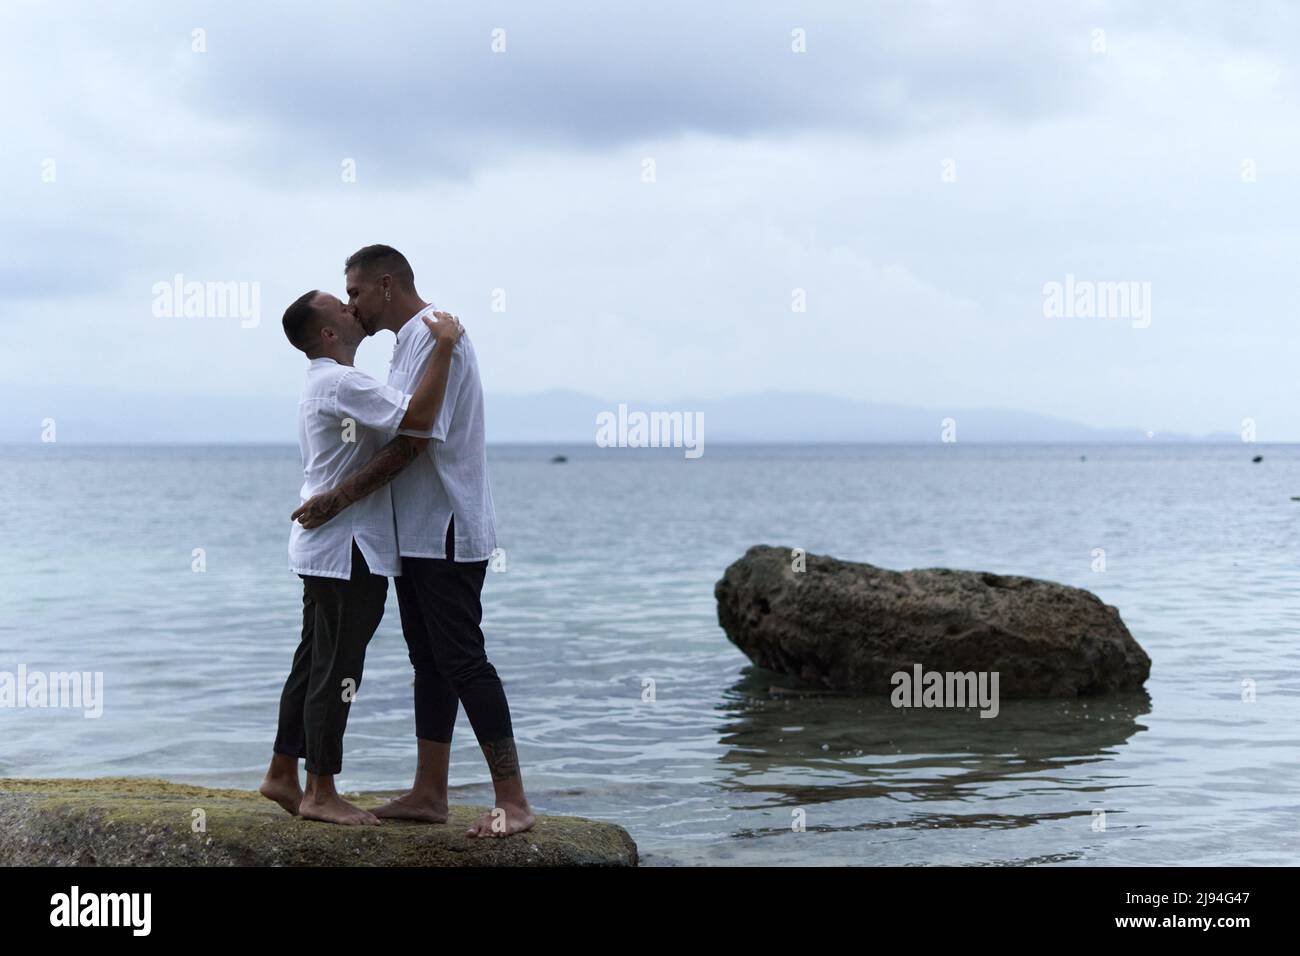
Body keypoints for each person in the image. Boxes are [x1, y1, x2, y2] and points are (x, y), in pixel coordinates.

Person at [293, 245, 534, 837]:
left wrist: (336, 499)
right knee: (428, 663)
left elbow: (416, 439)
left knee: (463, 660)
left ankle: (515, 802)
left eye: (354, 292)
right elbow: (397, 426)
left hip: (448, 526)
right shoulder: (409, 343)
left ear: (385, 284)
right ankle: (430, 793)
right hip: (417, 536)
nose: (352, 305)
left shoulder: (435, 332)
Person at [259, 288, 463, 826]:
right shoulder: (344, 382)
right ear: (328, 333)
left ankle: (283, 772)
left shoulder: (324, 382)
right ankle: (321, 791)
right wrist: (443, 346)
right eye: (342, 307)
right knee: (337, 668)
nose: (353, 311)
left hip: (326, 548)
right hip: (348, 550)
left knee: (313, 661)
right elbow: (419, 417)